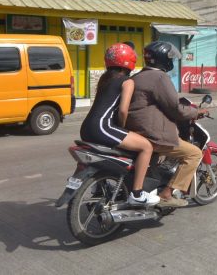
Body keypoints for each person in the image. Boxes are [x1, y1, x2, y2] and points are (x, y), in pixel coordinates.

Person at [126, 41, 209, 208]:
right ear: (164, 59)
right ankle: (167, 193)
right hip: (152, 134)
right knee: (193, 153)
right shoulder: (159, 77)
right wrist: (196, 112)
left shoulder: (137, 76)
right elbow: (175, 108)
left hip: (134, 132)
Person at [79, 43, 159, 206]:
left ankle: (100, 188)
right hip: (102, 128)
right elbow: (123, 111)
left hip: (86, 128)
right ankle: (137, 193)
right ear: (130, 62)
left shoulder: (105, 79)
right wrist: (123, 128)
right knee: (146, 147)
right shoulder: (127, 81)